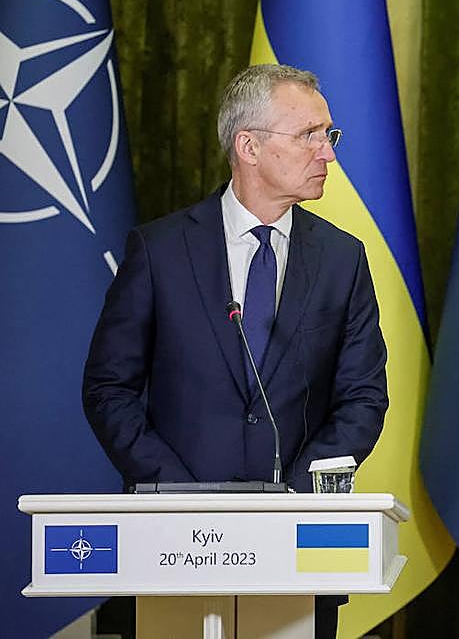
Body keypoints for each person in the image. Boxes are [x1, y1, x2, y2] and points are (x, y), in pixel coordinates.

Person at [83, 63, 388, 638]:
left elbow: (363, 398)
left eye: (330, 135)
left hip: (296, 548)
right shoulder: (160, 249)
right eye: (309, 135)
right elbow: (108, 389)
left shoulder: (342, 259)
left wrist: (294, 499)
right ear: (248, 146)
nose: (327, 153)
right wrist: (176, 493)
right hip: (172, 547)